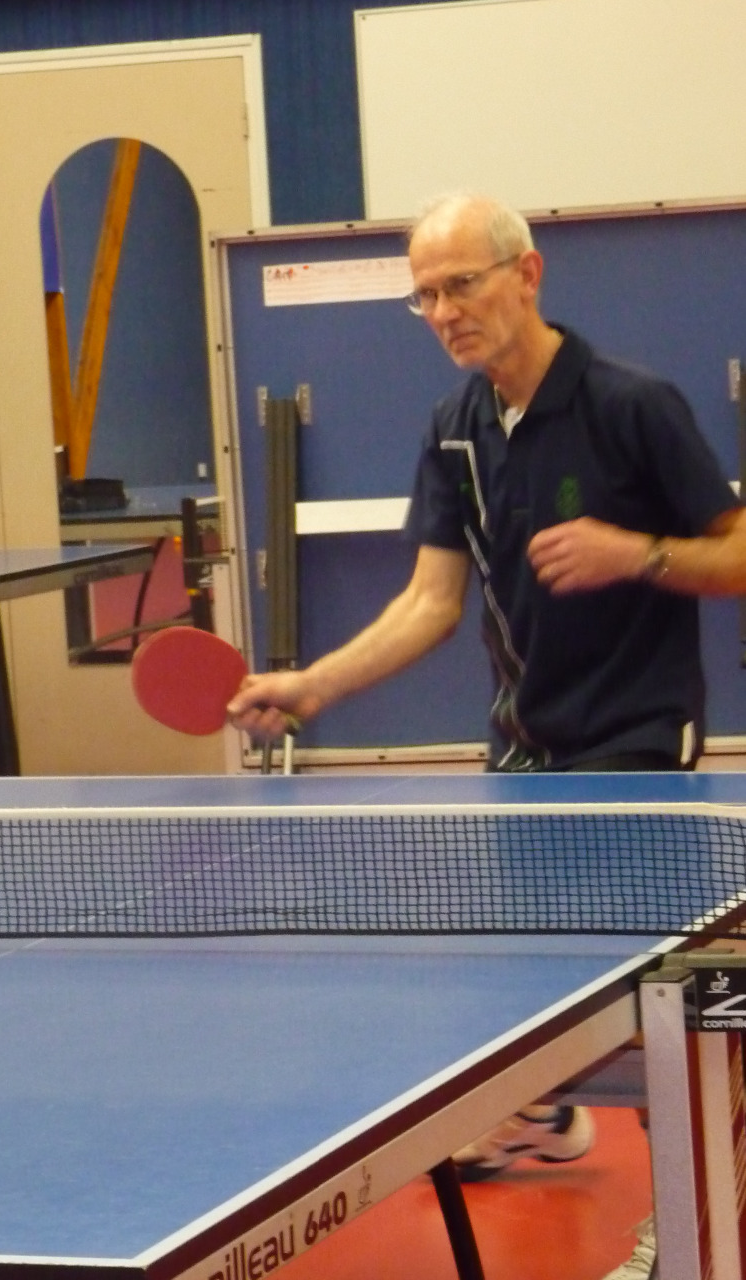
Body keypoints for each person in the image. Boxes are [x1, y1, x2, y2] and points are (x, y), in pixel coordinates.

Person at [227, 193, 746, 1278]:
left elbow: (737, 551)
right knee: (534, 977)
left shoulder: (631, 405)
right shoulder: (454, 428)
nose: (442, 311)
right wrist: (311, 685)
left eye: (459, 284)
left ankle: (687, 1221)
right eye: (423, 294)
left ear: (526, 273)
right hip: (521, 753)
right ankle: (546, 1116)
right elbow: (430, 602)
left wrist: (637, 553)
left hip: (637, 747)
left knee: (651, 998)